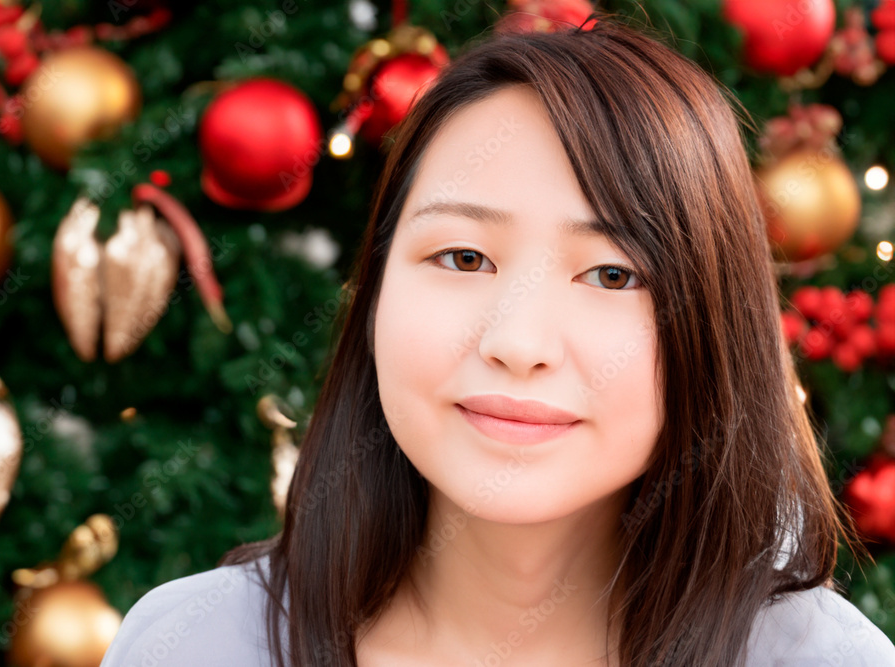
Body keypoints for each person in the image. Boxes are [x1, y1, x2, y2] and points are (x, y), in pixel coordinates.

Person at [100, 16, 895, 667]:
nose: (518, 343)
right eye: (463, 257)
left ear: (712, 327)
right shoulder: (193, 645)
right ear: (375, 293)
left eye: (613, 275)